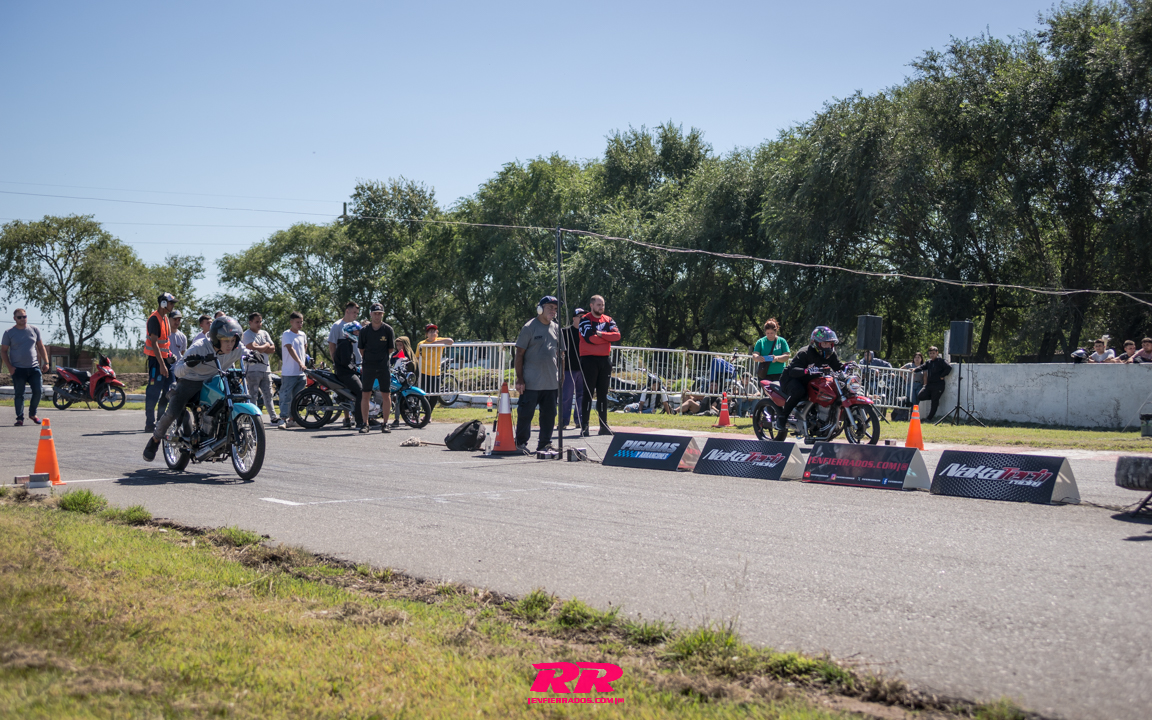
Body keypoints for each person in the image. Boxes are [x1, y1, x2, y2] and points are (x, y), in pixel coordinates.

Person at [143, 316, 245, 462]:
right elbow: (177, 370)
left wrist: (253, 356)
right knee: (173, 412)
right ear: (216, 339)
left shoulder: (236, 347)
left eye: (233, 340)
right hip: (191, 381)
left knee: (234, 396)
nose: (230, 344)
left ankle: (220, 432)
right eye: (226, 341)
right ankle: (155, 439)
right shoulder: (199, 347)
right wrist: (189, 365)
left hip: (216, 379)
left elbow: (246, 352)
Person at [775, 326, 843, 433]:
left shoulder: (831, 355)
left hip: (811, 381)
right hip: (793, 379)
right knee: (799, 391)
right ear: (816, 343)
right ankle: (782, 418)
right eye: (825, 343)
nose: (828, 346)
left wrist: (847, 367)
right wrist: (807, 371)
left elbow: (838, 366)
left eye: (830, 343)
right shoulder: (805, 352)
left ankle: (818, 420)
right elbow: (793, 370)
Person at [514, 296, 561, 453]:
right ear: (540, 309)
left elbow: (561, 355)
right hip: (531, 382)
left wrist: (561, 376)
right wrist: (520, 379)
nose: (553, 311)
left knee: (549, 415)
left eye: (555, 308)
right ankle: (520, 443)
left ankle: (545, 443)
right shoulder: (529, 327)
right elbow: (519, 354)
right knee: (525, 414)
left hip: (551, 382)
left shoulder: (557, 328)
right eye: (550, 307)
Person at [578, 295, 621, 436]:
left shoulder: (608, 320)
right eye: (598, 305)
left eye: (602, 305)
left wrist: (601, 335)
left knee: (603, 393)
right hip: (589, 360)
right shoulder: (585, 319)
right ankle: (585, 426)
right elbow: (590, 338)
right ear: (591, 305)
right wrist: (607, 338)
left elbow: (617, 336)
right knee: (588, 393)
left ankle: (603, 426)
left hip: (604, 359)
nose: (601, 307)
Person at [2, 308, 49, 426]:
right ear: (15, 319)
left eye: (24, 316)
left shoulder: (34, 330)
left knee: (38, 391)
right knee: (19, 394)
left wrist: (46, 362)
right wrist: (10, 367)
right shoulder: (9, 333)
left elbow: (41, 347)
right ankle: (19, 418)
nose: (23, 319)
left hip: (34, 368)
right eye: (20, 317)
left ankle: (32, 414)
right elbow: (3, 351)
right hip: (18, 369)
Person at [143, 293, 177, 433]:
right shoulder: (154, 319)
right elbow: (154, 343)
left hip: (165, 361)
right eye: (171, 303)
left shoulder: (165, 319)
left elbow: (164, 344)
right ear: (163, 303)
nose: (173, 305)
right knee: (153, 393)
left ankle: (160, 421)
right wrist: (162, 365)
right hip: (156, 363)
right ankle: (149, 424)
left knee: (170, 390)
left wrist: (169, 356)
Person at [359, 303, 394, 434]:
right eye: (375, 313)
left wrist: (381, 358)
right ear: (371, 314)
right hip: (368, 366)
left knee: (386, 394)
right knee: (366, 394)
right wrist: (370, 359)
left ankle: (385, 423)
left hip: (383, 366)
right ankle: (365, 423)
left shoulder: (388, 330)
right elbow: (361, 349)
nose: (377, 316)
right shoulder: (364, 331)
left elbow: (390, 349)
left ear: (382, 315)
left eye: (379, 314)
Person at [242, 312, 278, 425]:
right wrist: (266, 345)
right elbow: (252, 348)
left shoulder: (264, 333)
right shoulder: (246, 334)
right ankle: (253, 417)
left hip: (266, 369)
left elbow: (273, 349)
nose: (259, 324)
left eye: (260, 321)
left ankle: (273, 417)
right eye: (256, 322)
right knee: (253, 395)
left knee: (268, 394)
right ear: (250, 322)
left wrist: (261, 347)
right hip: (253, 369)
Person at [334, 322, 366, 432]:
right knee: (361, 392)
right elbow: (346, 362)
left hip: (347, 372)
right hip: (346, 374)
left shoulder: (348, 344)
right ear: (349, 332)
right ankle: (359, 421)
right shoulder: (345, 345)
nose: (358, 334)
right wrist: (357, 369)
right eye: (356, 332)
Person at [278, 311, 308, 429]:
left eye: (301, 322)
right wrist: (300, 362)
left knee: (298, 397)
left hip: (301, 373)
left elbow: (304, 347)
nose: (300, 324)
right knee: (286, 396)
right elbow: (290, 349)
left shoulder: (303, 334)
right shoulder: (287, 334)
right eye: (297, 322)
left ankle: (293, 418)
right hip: (289, 372)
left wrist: (304, 361)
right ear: (291, 322)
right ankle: (283, 419)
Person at [912, 346, 951, 421]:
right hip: (929, 385)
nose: (932, 355)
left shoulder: (941, 361)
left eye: (933, 353)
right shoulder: (929, 362)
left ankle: (929, 418)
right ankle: (934, 397)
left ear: (937, 353)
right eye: (930, 353)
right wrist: (914, 370)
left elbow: (949, 367)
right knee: (920, 396)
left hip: (938, 385)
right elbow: (922, 367)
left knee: (934, 402)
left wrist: (942, 375)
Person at [559, 307, 584, 430]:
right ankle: (563, 421)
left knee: (581, 395)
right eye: (580, 317)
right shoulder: (565, 332)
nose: (582, 319)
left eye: (584, 317)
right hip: (568, 368)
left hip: (583, 369)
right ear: (574, 318)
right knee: (566, 396)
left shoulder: (586, 332)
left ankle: (579, 420)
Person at [388, 335, 418, 428]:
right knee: (398, 400)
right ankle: (396, 419)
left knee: (410, 399)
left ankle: (411, 417)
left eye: (401, 345)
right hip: (398, 379)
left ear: (406, 345)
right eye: (397, 345)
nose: (399, 347)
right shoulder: (395, 354)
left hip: (407, 380)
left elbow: (414, 367)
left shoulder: (410, 355)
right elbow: (390, 364)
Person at [416, 323, 453, 397]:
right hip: (423, 372)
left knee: (435, 396)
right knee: (424, 395)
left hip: (435, 373)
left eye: (434, 331)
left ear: (437, 332)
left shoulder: (439, 341)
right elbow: (417, 357)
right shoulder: (421, 344)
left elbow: (451, 341)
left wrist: (435, 343)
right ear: (427, 334)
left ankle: (431, 405)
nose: (432, 333)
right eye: (430, 331)